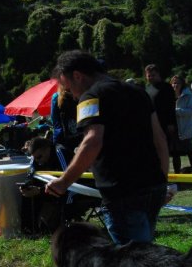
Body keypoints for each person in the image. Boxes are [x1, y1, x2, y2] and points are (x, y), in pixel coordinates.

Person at [45, 50, 168, 245]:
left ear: (77, 76)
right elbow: (159, 138)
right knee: (144, 253)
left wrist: (63, 182)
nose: (73, 96)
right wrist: (163, 179)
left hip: (122, 190)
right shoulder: (138, 92)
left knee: (133, 260)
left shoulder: (90, 97)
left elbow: (92, 141)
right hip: (153, 184)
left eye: (69, 89)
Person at [145, 65, 178, 162]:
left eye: (153, 75)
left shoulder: (166, 87)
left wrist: (171, 123)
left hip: (164, 124)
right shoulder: (147, 88)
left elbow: (171, 106)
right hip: (150, 125)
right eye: (149, 75)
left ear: (158, 74)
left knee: (167, 150)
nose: (150, 77)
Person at [170, 75, 192, 174]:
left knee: (190, 152)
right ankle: (177, 176)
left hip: (186, 128)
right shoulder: (168, 95)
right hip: (173, 129)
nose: (175, 85)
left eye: (178, 83)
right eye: (174, 83)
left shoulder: (189, 95)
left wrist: (176, 111)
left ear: (182, 84)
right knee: (175, 153)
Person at [50, 87, 82, 160]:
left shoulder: (80, 95)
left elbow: (54, 120)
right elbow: (55, 121)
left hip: (76, 139)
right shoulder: (57, 97)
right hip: (64, 141)